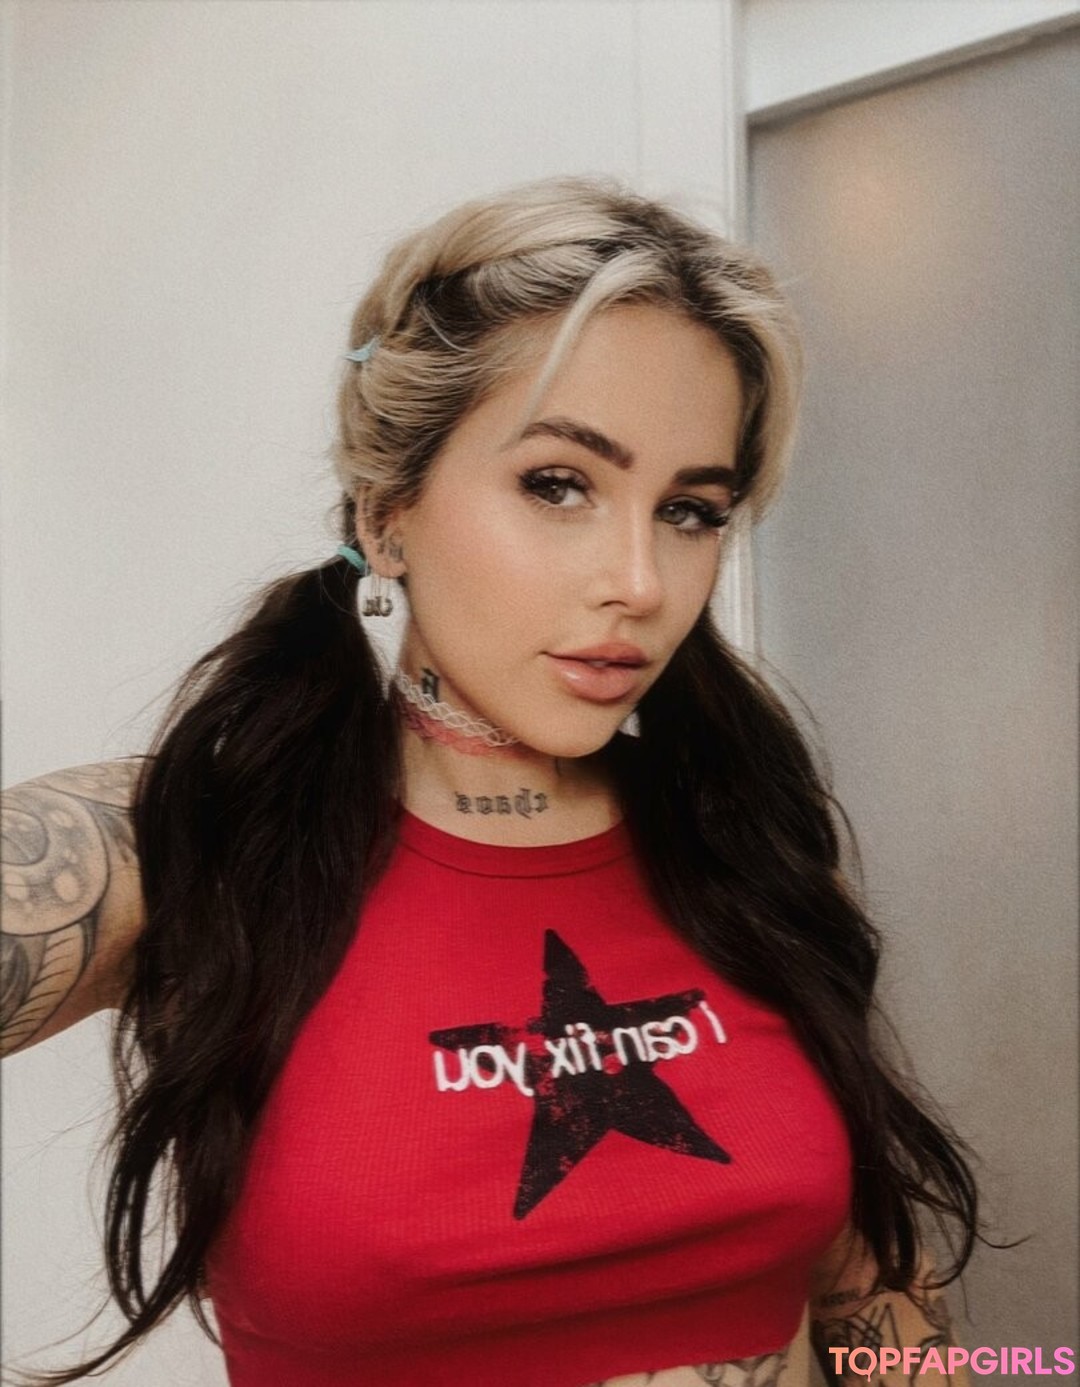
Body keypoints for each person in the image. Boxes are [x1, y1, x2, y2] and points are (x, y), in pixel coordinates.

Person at [2, 177, 979, 1387]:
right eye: (559, 484)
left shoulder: (743, 837)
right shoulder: (188, 841)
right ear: (388, 514)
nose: (641, 582)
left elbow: (871, 1289)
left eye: (690, 510)